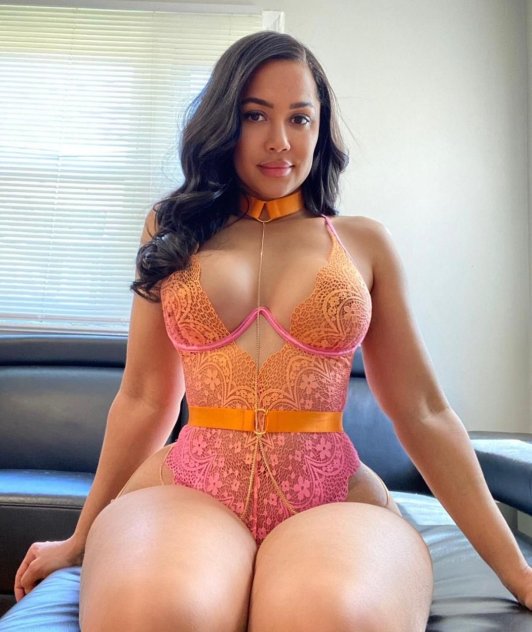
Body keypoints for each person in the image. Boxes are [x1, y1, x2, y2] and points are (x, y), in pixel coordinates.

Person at [11, 30, 532, 631]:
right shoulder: (171, 229)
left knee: (327, 616)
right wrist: (78, 540)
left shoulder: (364, 244)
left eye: (299, 118)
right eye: (255, 115)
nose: (280, 140)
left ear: (320, 129)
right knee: (157, 611)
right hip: (192, 488)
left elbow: (423, 413)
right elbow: (146, 398)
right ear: (223, 122)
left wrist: (516, 572)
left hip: (331, 497)